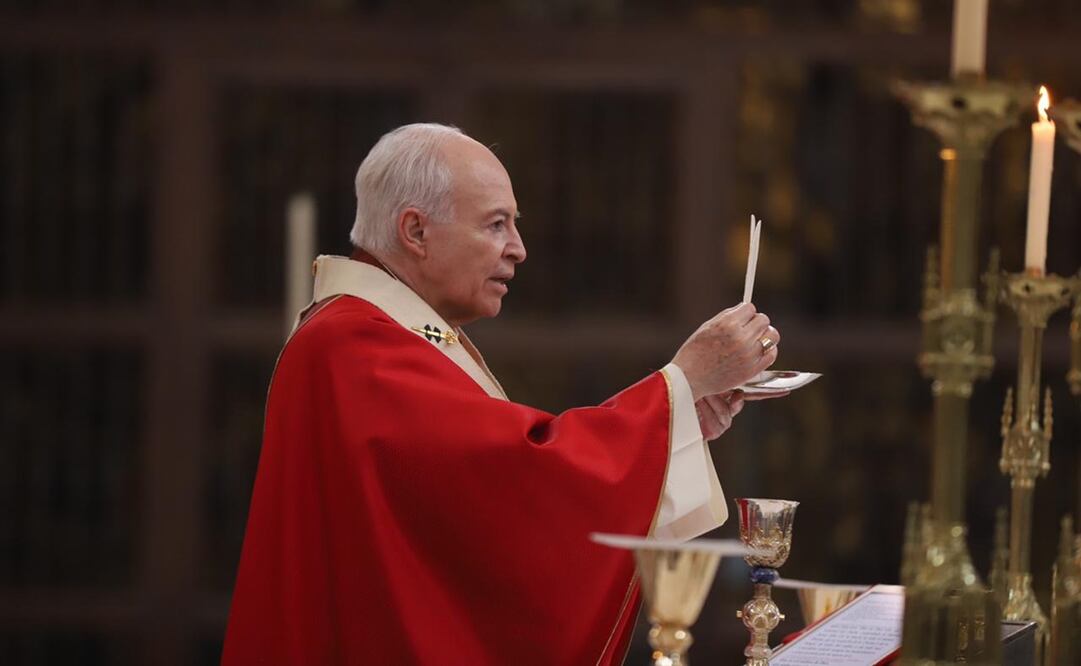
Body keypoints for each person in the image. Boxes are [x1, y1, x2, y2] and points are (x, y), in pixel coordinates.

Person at [222, 123, 782, 665]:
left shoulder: (382, 335)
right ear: (415, 232)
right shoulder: (352, 346)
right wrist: (678, 386)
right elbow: (520, 479)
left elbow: (471, 511)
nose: (518, 248)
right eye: (496, 225)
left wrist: (681, 418)